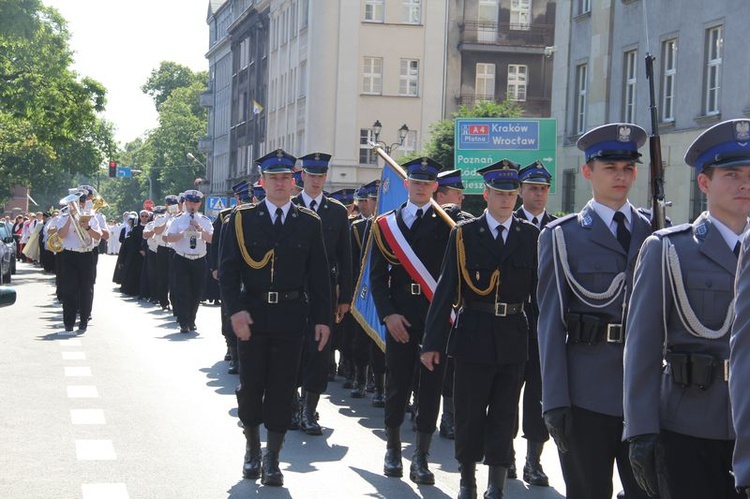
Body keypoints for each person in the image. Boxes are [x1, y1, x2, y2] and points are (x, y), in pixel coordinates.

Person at [624, 119, 750, 498]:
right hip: (690, 424)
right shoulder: (669, 250)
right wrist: (640, 431)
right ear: (704, 183)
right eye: (731, 173)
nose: (744, 183)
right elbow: (642, 350)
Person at [537, 123, 652, 499]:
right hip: (586, 392)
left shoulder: (656, 232)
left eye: (628, 168)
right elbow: (550, 324)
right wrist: (554, 400)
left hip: (645, 393)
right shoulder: (562, 236)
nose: (621, 176)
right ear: (588, 172)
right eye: (611, 168)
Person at [421, 159, 538, 499]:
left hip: (514, 335)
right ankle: (468, 479)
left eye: (512, 193)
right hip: (473, 334)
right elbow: (445, 292)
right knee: (470, 414)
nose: (506, 200)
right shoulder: (465, 234)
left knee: (505, 415)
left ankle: (496, 485)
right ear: (485, 194)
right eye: (499, 193)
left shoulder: (530, 235)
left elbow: (539, 294)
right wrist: (432, 343)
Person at [219, 148, 331, 486]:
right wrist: (235, 312)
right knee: (251, 386)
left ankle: (273, 459)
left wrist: (323, 319)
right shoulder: (240, 220)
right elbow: (227, 272)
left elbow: (320, 276)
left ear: (294, 182)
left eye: (285, 177)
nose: (280, 183)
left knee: (283, 389)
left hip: (291, 316)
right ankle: (252, 448)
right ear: (263, 182)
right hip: (251, 316)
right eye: (273, 178)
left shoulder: (308, 223)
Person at [369, 157, 467, 484]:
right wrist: (387, 314)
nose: (422, 186)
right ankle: (393, 449)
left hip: (435, 316)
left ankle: (421, 456)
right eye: (416, 181)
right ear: (407, 183)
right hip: (399, 315)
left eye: (428, 182)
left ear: (436, 186)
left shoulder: (448, 223)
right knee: (397, 382)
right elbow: (377, 276)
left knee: (430, 386)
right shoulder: (387, 224)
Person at [291, 152, 352, 436]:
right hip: (292, 288)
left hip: (324, 290)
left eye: (320, 176)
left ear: (325, 177)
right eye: (311, 175)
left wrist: (345, 298)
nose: (316, 181)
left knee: (319, 350)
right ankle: (292, 404)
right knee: (292, 348)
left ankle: (309, 408)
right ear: (302, 176)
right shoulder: (290, 207)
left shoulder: (337, 211)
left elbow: (346, 258)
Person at [506, 160, 556, 486]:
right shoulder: (507, 224)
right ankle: (505, 454)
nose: (538, 194)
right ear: (520, 190)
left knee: (539, 395)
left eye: (543, 189)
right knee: (507, 393)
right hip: (511, 322)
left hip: (544, 326)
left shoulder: (558, 228)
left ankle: (533, 461)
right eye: (532, 188)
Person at [210, 180, 254, 374]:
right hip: (231, 272)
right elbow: (217, 245)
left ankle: (243, 351)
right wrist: (215, 267)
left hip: (250, 274)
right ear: (237, 198)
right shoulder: (226, 217)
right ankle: (232, 349)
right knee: (229, 311)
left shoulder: (256, 218)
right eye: (242, 200)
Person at [164, 190, 213, 333]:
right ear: (185, 203)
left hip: (199, 259)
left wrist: (200, 229)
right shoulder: (178, 219)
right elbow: (169, 238)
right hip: (182, 258)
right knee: (182, 291)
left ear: (199, 204)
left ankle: (192, 319)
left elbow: (212, 239)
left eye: (195, 202)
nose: (192, 205)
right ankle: (183, 321)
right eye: (190, 202)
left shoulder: (205, 220)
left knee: (197, 292)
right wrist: (184, 232)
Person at [54, 188, 103, 334]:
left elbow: (98, 236)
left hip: (86, 255)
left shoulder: (90, 217)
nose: (78, 205)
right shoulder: (63, 217)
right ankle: (68, 323)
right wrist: (70, 218)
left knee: (86, 290)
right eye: (75, 203)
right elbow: (61, 235)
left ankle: (83, 321)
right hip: (69, 255)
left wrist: (86, 226)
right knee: (69, 290)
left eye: (81, 202)